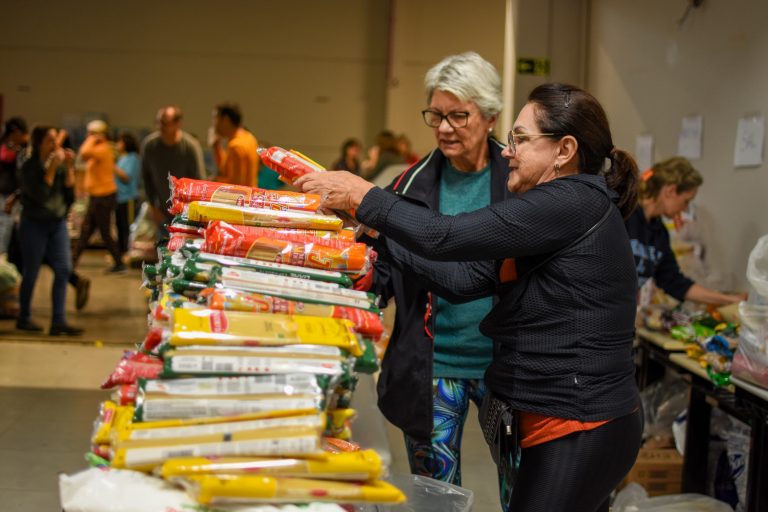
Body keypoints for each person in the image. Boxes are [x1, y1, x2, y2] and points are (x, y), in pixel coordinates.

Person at [298, 82, 642, 512]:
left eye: (520, 139)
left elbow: (446, 237)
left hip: (580, 423)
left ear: (564, 150)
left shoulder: (573, 200)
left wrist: (363, 195)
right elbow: (462, 279)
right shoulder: (555, 207)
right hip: (559, 420)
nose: (507, 151)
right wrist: (375, 229)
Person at [347, 52, 513, 499]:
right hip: (433, 368)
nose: (443, 128)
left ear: (491, 117)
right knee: (437, 497)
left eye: (458, 115)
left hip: (510, 367)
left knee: (526, 491)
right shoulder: (407, 188)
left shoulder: (521, 183)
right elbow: (380, 271)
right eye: (436, 115)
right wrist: (347, 270)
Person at [627, 156, 745, 306]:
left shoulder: (659, 233)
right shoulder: (626, 215)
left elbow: (675, 282)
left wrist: (730, 300)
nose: (685, 208)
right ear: (670, 191)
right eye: (686, 201)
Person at [16, 126, 83, 336]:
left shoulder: (61, 167)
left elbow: (70, 197)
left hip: (57, 224)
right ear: (38, 144)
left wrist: (70, 168)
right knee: (32, 271)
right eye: (50, 141)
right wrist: (52, 169)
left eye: (56, 140)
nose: (55, 145)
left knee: (64, 269)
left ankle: (58, 321)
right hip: (34, 224)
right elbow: (41, 195)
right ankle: (24, 317)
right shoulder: (29, 167)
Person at [141, 106, 205, 241]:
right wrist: (153, 207)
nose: (160, 127)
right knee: (164, 253)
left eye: (165, 123)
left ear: (178, 124)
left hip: (186, 214)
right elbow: (146, 178)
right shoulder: (150, 146)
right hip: (162, 212)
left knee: (183, 254)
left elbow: (199, 181)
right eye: (158, 122)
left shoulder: (189, 147)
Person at [71, 120, 124, 273]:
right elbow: (85, 158)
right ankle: (72, 261)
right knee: (87, 230)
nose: (87, 136)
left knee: (103, 231)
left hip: (103, 197)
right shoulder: (100, 148)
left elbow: (84, 152)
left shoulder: (101, 148)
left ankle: (119, 264)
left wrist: (93, 138)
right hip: (98, 196)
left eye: (90, 133)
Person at [210, 102, 259, 186]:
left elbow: (236, 184)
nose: (213, 124)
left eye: (215, 119)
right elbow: (225, 170)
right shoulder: (249, 137)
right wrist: (216, 146)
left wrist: (213, 181)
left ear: (225, 120)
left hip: (242, 197)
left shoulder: (236, 146)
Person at [0, 116, 29, 254]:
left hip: (13, 193)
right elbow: (6, 158)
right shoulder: (7, 148)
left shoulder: (18, 149)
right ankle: (1, 258)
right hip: (6, 193)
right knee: (5, 224)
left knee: (8, 225)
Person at [114, 132, 141, 259]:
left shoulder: (133, 158)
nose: (117, 144)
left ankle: (127, 253)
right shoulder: (122, 158)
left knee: (127, 226)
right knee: (119, 226)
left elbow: (126, 177)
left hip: (128, 198)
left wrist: (113, 167)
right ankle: (120, 253)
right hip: (119, 197)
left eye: (120, 142)